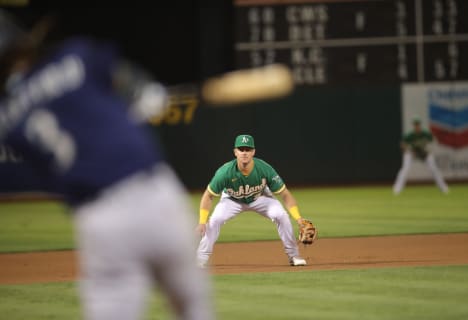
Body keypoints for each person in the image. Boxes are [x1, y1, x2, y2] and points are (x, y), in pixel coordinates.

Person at [0, 10, 214, 320]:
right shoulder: (75, 57)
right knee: (193, 309)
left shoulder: (8, 122)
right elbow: (127, 84)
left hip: (99, 219)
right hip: (155, 195)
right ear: (24, 43)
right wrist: (143, 94)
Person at [196, 134, 308, 267]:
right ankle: (200, 259)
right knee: (215, 219)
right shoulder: (225, 172)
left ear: (253, 152)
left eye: (247, 149)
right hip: (232, 200)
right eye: (241, 149)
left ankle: (294, 256)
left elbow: (285, 194)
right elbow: (208, 195)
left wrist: (299, 218)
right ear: (235, 152)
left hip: (260, 197)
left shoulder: (264, 169)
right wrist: (202, 221)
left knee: (280, 215)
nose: (244, 152)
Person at [393, 117, 449, 195]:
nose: (417, 126)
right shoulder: (410, 135)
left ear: (420, 125)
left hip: (424, 152)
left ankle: (443, 188)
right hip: (412, 153)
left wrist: (429, 150)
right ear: (413, 125)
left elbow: (434, 141)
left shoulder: (426, 134)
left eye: (418, 124)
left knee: (434, 168)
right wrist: (410, 151)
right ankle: (397, 188)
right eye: (415, 124)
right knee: (405, 169)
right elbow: (403, 144)